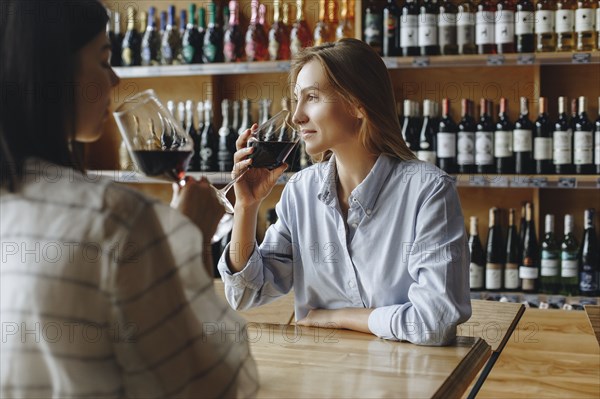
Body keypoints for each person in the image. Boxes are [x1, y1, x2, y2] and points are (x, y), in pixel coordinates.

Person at [0, 1, 257, 397]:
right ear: (54, 72)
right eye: (104, 61)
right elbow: (213, 383)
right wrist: (187, 240)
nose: (116, 79)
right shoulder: (115, 218)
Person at [218, 38, 471, 346]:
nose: (297, 116)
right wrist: (246, 206)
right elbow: (245, 294)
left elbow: (435, 322)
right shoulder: (300, 191)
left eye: (312, 97)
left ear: (357, 104)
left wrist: (337, 317)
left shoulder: (428, 191)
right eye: (296, 98)